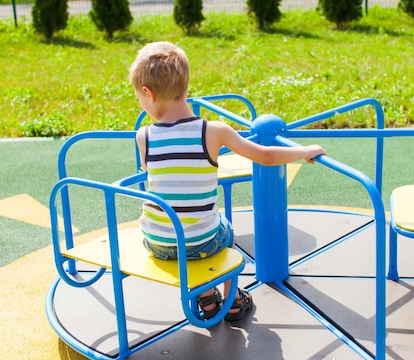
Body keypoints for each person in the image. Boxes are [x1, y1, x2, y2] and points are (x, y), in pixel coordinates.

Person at [129, 41, 327, 323]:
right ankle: (233, 299)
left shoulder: (144, 136)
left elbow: (155, 173)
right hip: (202, 242)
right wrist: (304, 152)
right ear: (185, 86)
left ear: (147, 93)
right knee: (224, 231)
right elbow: (265, 155)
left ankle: (207, 298)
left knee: (190, 229)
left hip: (158, 242)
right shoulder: (213, 131)